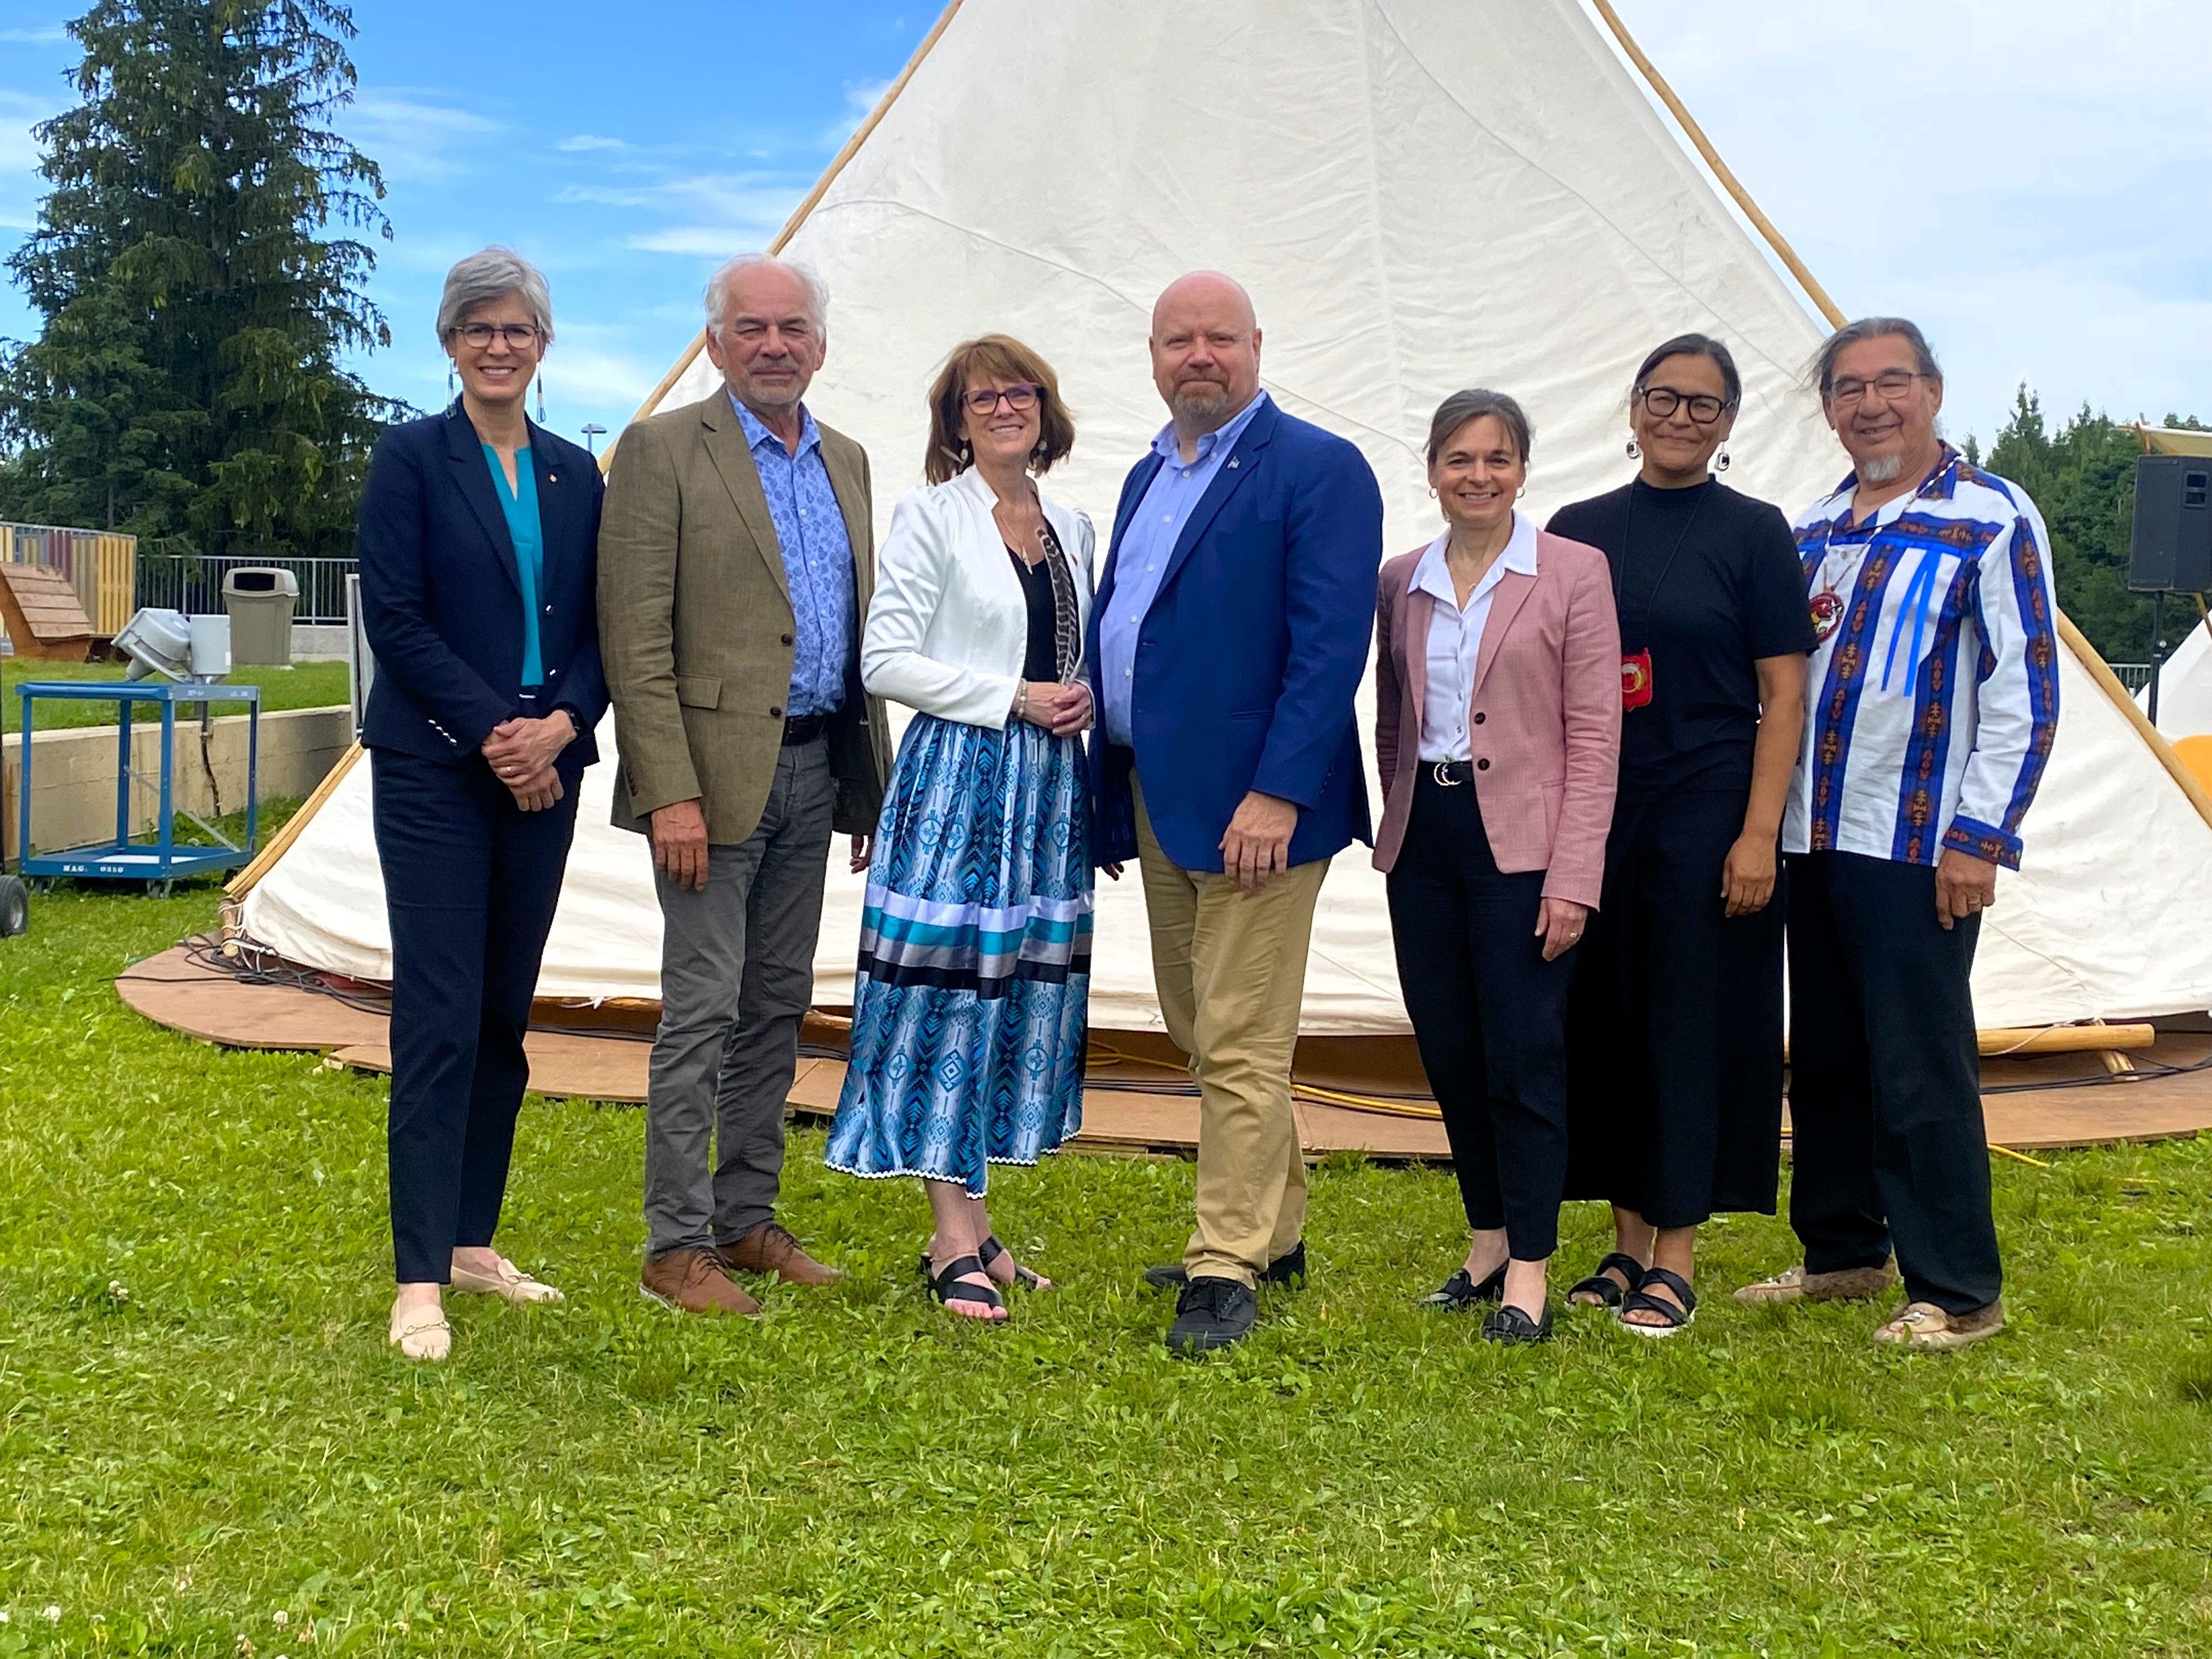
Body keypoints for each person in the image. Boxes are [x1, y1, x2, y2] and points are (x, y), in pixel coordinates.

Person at [1736, 317, 2058, 1351]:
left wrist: (1981, 836)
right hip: (1813, 832)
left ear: (1932, 390)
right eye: (1847, 389)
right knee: (1827, 1052)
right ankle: (1843, 1252)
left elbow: (2025, 692)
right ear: (1827, 407)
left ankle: (1961, 1288)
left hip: (1919, 839)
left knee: (1918, 1061)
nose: (1870, 404)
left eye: (1891, 383)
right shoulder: (1813, 530)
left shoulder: (1991, 517)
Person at [1091, 271, 1383, 1356]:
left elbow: (1328, 649)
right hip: (1159, 795)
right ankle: (1280, 1228)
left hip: (1259, 808)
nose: (1198, 356)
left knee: (1242, 1037)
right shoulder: (1144, 474)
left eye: (1219, 338)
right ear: (1155, 355)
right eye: (1179, 341)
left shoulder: (1316, 468)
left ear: (1257, 345)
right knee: (1203, 1024)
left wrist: (1279, 790)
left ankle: (1225, 1263)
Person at [599, 254, 890, 1317]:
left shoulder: (849, 461)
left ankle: (745, 1219)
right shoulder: (662, 450)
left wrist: (869, 787)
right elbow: (634, 635)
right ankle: (674, 1246)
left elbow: (864, 637)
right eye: (752, 328)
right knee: (704, 1008)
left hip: (817, 770)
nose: (776, 345)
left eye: (794, 328)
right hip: (709, 790)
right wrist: (669, 788)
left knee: (776, 1005)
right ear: (716, 343)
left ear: (821, 343)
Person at [357, 247, 609, 1361]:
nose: (498, 346)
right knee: (441, 1012)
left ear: (542, 344)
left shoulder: (575, 473)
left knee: (505, 1011)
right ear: (450, 344)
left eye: (516, 329)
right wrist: (495, 731)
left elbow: (607, 625)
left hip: (547, 768)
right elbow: (399, 622)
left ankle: (470, 1240)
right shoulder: (410, 459)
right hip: (435, 768)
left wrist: (561, 723)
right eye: (478, 329)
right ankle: (418, 1279)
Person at [825, 336, 1096, 1321]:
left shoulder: (1073, 523)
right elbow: (884, 660)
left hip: (1048, 789)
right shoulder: (930, 516)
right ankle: (948, 1234)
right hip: (959, 782)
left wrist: (1076, 706)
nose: (1003, 409)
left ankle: (981, 1226)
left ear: (1044, 408)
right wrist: (1010, 698)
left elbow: (1078, 653)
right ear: (955, 419)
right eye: (982, 398)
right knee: (947, 994)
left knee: (1014, 992)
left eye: (1019, 392)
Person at [1548, 336, 1814, 1336]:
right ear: (1632, 406)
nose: (1681, 418)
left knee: (1686, 1025)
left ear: (1730, 424)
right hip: (1600, 803)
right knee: (1607, 1017)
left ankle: (1677, 1254)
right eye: (1665, 397)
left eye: (1705, 406)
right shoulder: (1577, 530)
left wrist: (1759, 835)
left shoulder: (1755, 533)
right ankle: (1621, 1244)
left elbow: (1783, 695)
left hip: (1709, 802)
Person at [1373, 390, 1621, 1345]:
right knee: (1450, 1048)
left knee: (1523, 1052)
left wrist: (1573, 876)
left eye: (1498, 459)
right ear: (1433, 469)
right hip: (1425, 838)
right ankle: (1486, 1239)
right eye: (1459, 459)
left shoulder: (1571, 572)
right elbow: (1392, 712)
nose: (1479, 476)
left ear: (1524, 468)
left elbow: (1597, 737)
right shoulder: (1403, 577)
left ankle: (1531, 1265)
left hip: (1524, 843)